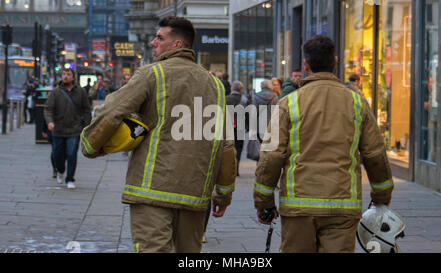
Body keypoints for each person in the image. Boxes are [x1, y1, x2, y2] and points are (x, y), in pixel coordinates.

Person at [80, 16, 236, 253]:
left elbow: (111, 111)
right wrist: (223, 194)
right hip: (194, 195)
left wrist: (90, 145)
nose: (153, 42)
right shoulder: (215, 85)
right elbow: (225, 145)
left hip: (152, 190)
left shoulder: (151, 74)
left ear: (177, 45)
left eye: (160, 38)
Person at [253, 35, 394, 253]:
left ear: (306, 65)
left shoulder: (288, 104)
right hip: (342, 206)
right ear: (335, 62)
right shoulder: (357, 103)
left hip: (298, 206)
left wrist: (264, 202)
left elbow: (271, 157)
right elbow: (375, 154)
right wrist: (381, 197)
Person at [44, 68, 92, 190]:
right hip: (58, 129)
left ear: (73, 77)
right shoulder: (55, 92)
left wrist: (86, 125)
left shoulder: (80, 92)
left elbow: (86, 110)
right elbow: (48, 109)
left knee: (71, 154)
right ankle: (60, 170)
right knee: (57, 155)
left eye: (68, 74)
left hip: (74, 129)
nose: (65, 76)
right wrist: (50, 122)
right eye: (64, 74)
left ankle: (70, 179)